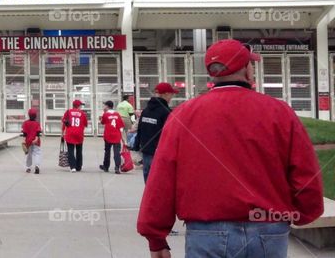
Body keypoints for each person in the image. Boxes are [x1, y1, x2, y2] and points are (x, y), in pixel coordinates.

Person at [137, 39, 324, 257]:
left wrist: (156, 237)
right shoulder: (279, 112)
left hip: (206, 232)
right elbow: (305, 172)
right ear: (246, 69)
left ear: (213, 73)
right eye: (251, 64)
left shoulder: (184, 114)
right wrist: (303, 213)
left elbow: (163, 178)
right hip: (268, 229)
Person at [134, 82, 177, 183]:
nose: (172, 97)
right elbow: (169, 134)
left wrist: (137, 145)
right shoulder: (166, 112)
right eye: (171, 94)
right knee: (159, 183)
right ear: (165, 94)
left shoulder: (146, 110)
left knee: (148, 182)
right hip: (159, 153)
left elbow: (140, 128)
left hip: (146, 151)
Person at [61, 99, 87, 172]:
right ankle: (79, 166)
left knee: (70, 150)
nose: (81, 107)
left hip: (70, 133)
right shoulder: (82, 113)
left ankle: (73, 167)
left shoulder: (68, 112)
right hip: (79, 134)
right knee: (79, 150)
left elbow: (63, 121)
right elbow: (85, 124)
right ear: (78, 106)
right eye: (80, 105)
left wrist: (62, 132)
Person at [99, 100, 123, 174]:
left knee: (107, 151)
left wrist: (103, 114)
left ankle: (106, 166)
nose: (104, 107)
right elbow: (121, 125)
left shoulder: (106, 114)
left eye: (105, 105)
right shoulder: (117, 114)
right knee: (116, 152)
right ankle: (117, 167)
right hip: (116, 135)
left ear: (107, 106)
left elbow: (102, 122)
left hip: (108, 135)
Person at [21, 108, 42, 174]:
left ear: (28, 115)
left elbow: (24, 133)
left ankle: (28, 167)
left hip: (28, 141)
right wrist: (36, 138)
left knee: (29, 154)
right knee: (37, 153)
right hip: (36, 141)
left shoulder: (25, 123)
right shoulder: (37, 123)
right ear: (35, 115)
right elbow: (38, 132)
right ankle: (37, 166)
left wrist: (23, 140)